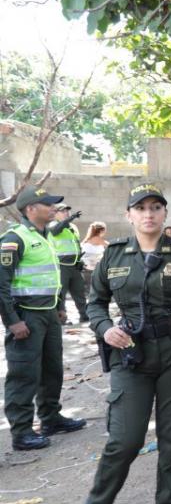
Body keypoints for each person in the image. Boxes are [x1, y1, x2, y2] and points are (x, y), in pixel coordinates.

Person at [78, 183, 171, 504]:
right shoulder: (114, 256)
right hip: (131, 356)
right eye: (141, 208)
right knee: (125, 439)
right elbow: (95, 303)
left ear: (164, 214)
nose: (148, 214)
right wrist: (105, 329)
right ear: (129, 215)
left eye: (155, 207)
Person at [1, 186, 86, 451]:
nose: (53, 208)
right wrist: (12, 321)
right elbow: (1, 285)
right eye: (47, 204)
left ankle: (50, 418)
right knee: (24, 374)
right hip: (26, 316)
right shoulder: (14, 239)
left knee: (52, 370)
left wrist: (60, 307)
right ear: (30, 209)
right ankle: (22, 432)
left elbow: (52, 277)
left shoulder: (45, 236)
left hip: (48, 314)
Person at [49, 204, 87, 323]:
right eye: (63, 211)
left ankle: (84, 315)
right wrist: (69, 219)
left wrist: (80, 259)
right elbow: (55, 231)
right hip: (61, 266)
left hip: (74, 265)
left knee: (79, 292)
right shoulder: (52, 224)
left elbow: (76, 244)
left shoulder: (73, 227)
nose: (66, 212)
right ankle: (61, 319)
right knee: (61, 294)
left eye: (67, 211)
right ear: (55, 213)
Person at [80, 222, 109, 295]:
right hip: (92, 268)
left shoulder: (87, 239)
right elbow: (110, 246)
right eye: (104, 231)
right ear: (101, 231)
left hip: (87, 267)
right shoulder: (97, 239)